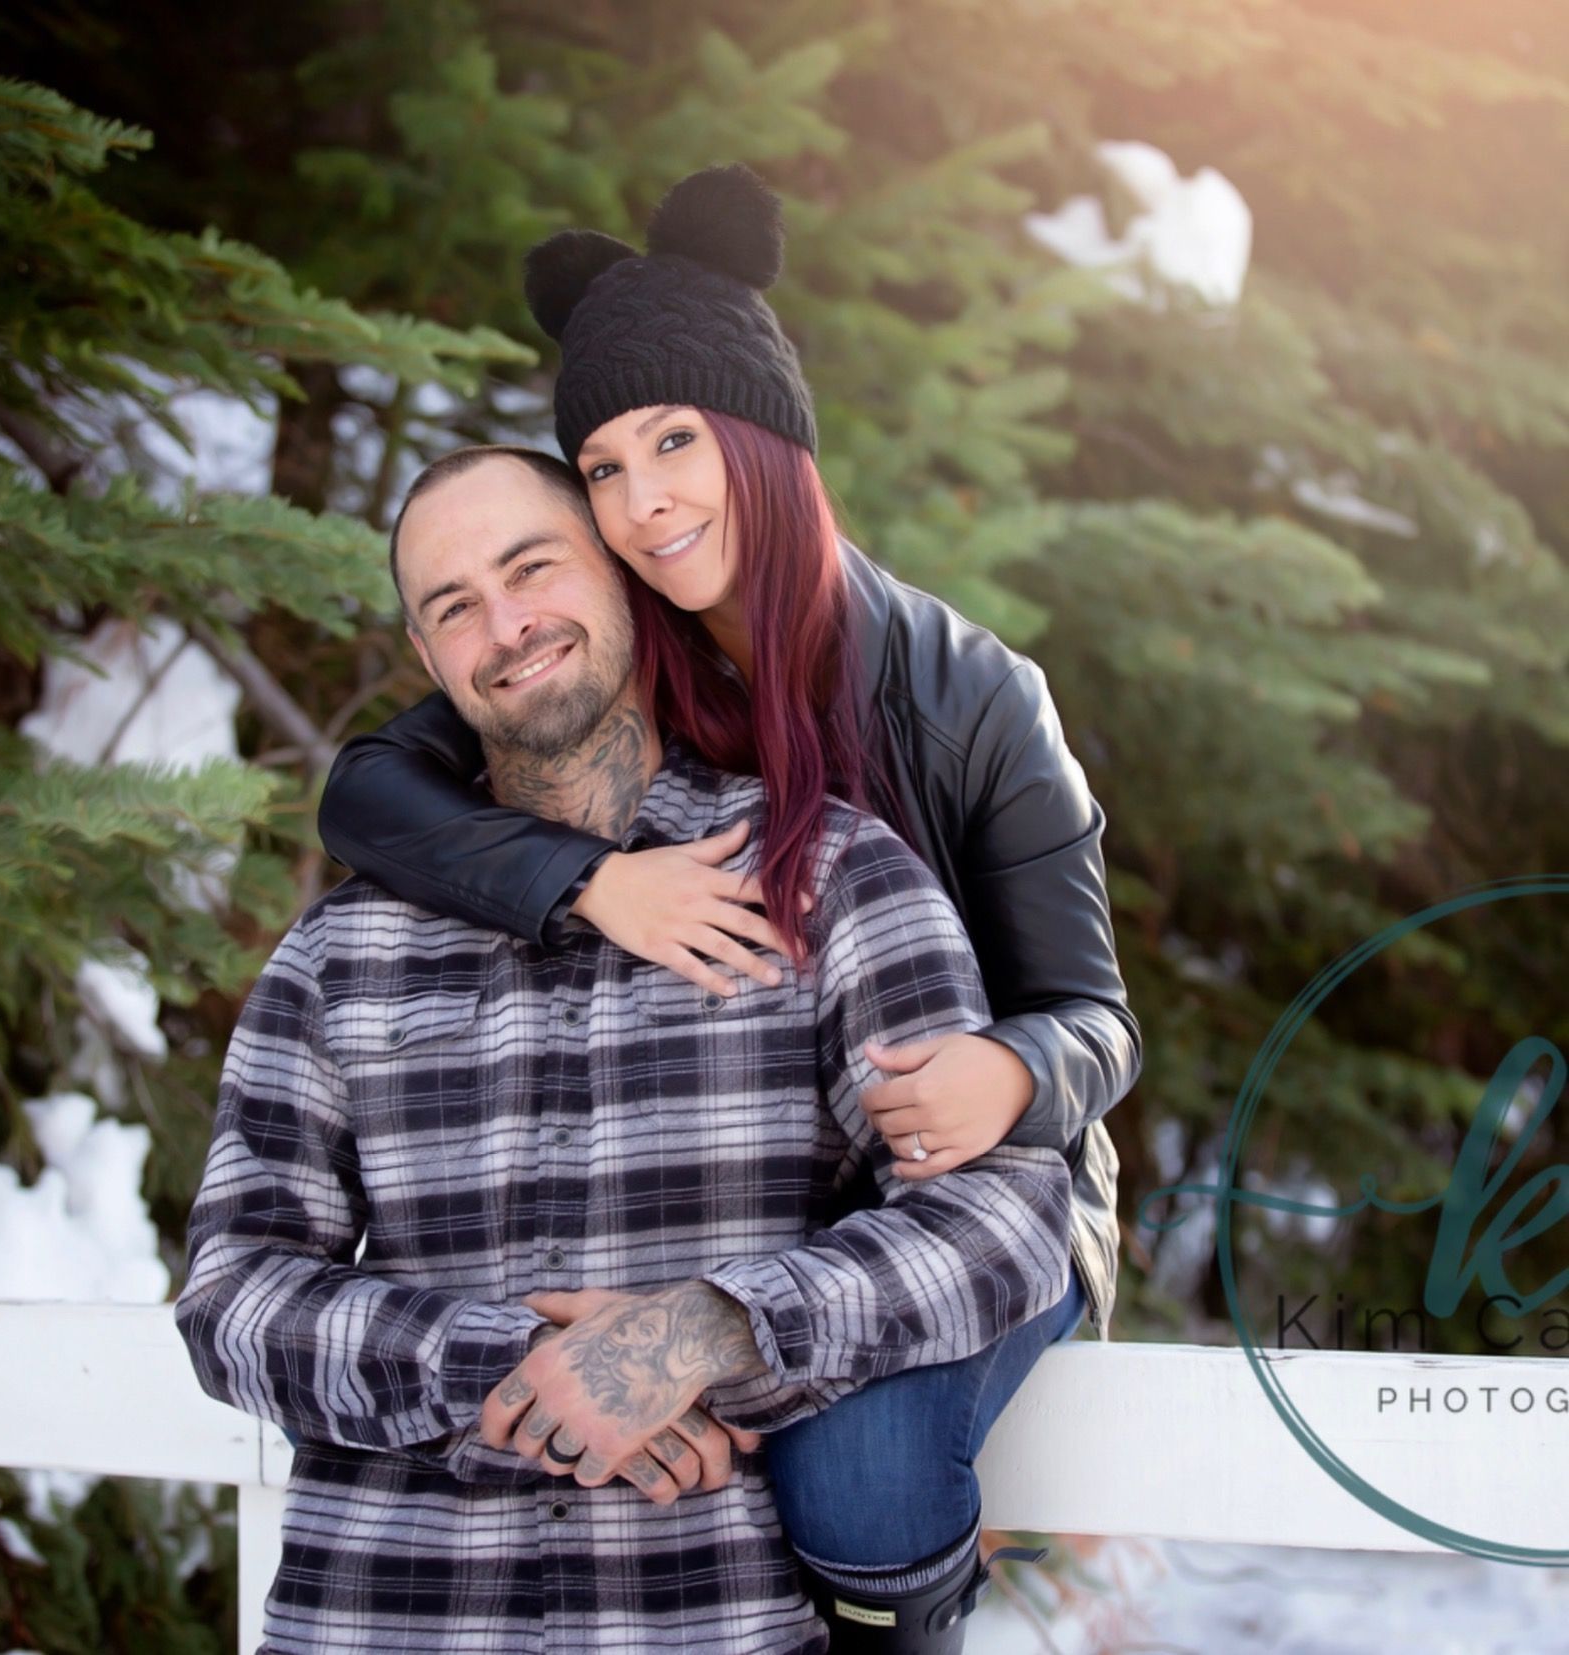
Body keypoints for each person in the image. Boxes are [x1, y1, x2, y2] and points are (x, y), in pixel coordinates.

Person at [316, 164, 1140, 1650]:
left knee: (862, 1468)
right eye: (608, 469)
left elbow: (1095, 1012)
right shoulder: (623, 661)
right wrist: (587, 878)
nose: (645, 504)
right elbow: (368, 792)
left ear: (766, 433)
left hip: (977, 1181)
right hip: (770, 1195)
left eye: (677, 441)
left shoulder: (973, 697)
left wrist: (1019, 1067)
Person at [176, 445, 1075, 1653]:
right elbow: (233, 1291)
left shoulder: (825, 879)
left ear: (622, 576)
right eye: (453, 606)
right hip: (386, 1612)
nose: (505, 623)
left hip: (703, 1613)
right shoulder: (342, 950)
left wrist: (706, 1331)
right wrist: (518, 1369)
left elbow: (1002, 1216)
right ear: (430, 657)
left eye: (532, 566)